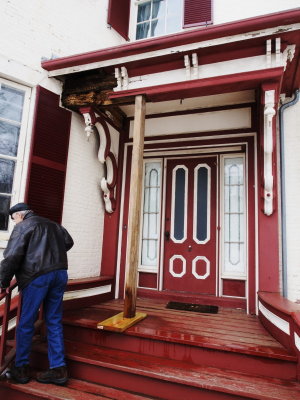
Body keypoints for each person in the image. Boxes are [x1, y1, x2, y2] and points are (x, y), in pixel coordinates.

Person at [0, 203, 74, 385]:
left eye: (13, 219)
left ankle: (21, 368)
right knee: (54, 320)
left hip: (36, 276)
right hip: (59, 273)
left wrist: (3, 282)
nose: (14, 223)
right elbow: (68, 242)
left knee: (26, 322)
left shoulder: (23, 226)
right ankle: (58, 368)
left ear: (19, 215)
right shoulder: (53, 224)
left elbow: (11, 257)